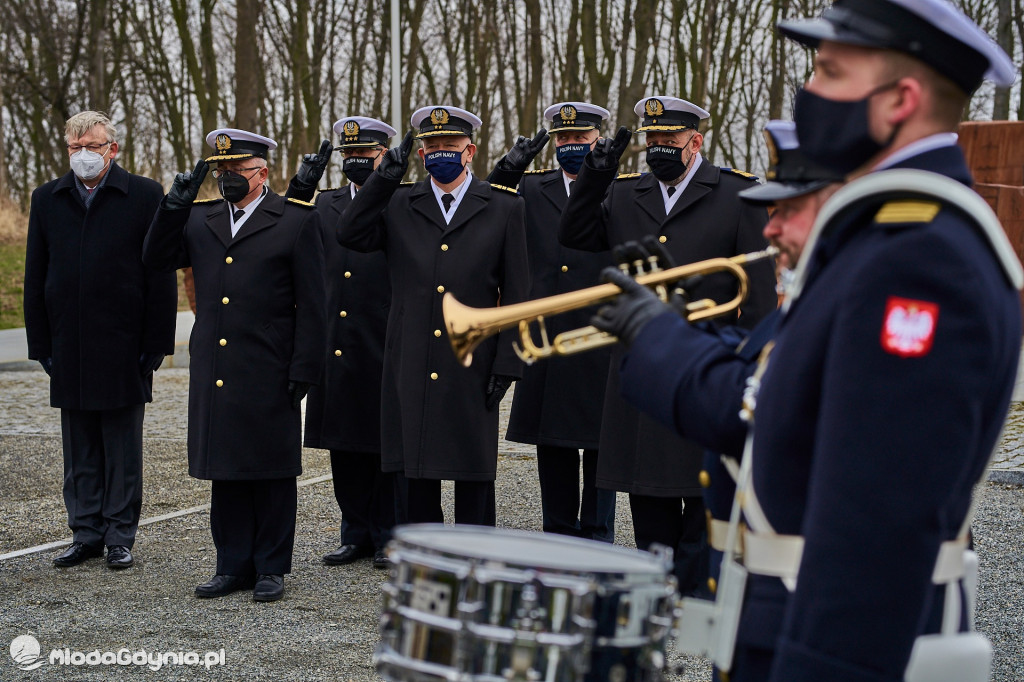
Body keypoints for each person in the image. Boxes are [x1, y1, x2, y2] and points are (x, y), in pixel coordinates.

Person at [607, 2, 1022, 679]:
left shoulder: (919, 256)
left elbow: (874, 534)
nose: (809, 91)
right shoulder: (881, 236)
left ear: (901, 100)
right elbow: (779, 404)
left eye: (829, 71)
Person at [593, 120, 841, 598]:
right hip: (674, 379)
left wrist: (671, 342)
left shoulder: (840, 303)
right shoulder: (628, 192)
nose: (772, 227)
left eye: (791, 211)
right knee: (652, 517)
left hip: (806, 586)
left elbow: (754, 395)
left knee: (698, 530)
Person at [559, 95, 777, 594]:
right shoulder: (624, 192)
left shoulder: (737, 194)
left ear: (694, 142)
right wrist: (595, 173)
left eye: (668, 139)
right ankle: (658, 592)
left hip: (708, 364)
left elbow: (759, 296)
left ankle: (696, 594)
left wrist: (748, 366)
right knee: (646, 493)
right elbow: (574, 233)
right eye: (651, 138)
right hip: (645, 364)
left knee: (701, 497)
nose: (658, 146)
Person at [143, 128, 326, 602]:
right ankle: (231, 565)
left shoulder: (294, 220)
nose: (226, 177)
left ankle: (271, 566)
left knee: (271, 469)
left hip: (269, 362)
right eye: (221, 170)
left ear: (261, 172)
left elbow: (314, 302)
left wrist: (305, 366)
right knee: (225, 468)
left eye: (235, 170)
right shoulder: (200, 218)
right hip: (217, 363)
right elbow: (155, 258)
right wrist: (173, 206)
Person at [338, 105, 530, 527]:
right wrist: (382, 180)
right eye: (432, 145)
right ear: (421, 154)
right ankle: (423, 556)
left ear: (469, 151)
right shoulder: (400, 202)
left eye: (450, 144)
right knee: (414, 471)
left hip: (473, 359)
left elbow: (517, 293)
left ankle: (474, 557)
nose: (440, 151)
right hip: (412, 356)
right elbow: (349, 232)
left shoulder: (502, 206)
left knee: (472, 470)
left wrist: (508, 362)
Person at [23, 111, 177, 571]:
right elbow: (36, 273)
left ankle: (119, 535)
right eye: (75, 147)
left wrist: (157, 342)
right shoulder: (47, 198)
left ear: (113, 148)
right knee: (80, 446)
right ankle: (85, 532)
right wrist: (41, 344)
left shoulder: (144, 194)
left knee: (122, 446)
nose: (83, 155)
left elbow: (160, 272)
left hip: (125, 342)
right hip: (69, 341)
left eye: (92, 146)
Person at [489, 101, 617, 542]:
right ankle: (558, 532)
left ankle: (597, 535)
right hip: (547, 332)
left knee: (601, 443)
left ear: (597, 139)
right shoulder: (532, 187)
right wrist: (508, 168)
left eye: (580, 138)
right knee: (553, 442)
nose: (570, 145)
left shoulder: (618, 186)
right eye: (563, 138)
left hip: (601, 331)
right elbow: (485, 205)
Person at [286, 117, 396, 569]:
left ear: (384, 156)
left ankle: (390, 535)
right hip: (337, 339)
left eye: (364, 155)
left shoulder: (400, 200)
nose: (355, 161)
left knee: (386, 445)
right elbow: (285, 229)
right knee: (344, 445)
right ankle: (355, 532)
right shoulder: (325, 203)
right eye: (348, 155)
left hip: (383, 336)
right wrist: (299, 186)